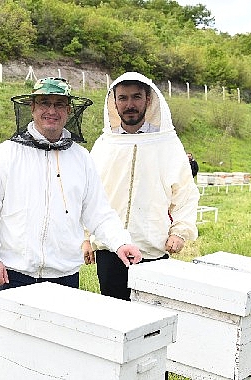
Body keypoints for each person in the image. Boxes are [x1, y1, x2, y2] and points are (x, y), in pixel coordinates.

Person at [0, 77, 141, 291]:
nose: (51, 111)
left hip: (65, 275)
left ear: (69, 110)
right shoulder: (7, 153)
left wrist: (121, 242)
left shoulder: (81, 158)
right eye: (44, 102)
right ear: (32, 107)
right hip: (14, 274)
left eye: (59, 104)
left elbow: (98, 212)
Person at [83, 71, 200, 301]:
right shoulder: (105, 144)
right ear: (114, 102)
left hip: (152, 247)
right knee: (114, 317)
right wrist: (85, 237)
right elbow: (88, 195)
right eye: (123, 98)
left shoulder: (167, 144)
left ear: (148, 100)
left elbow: (185, 193)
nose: (130, 104)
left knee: (151, 324)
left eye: (136, 97)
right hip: (110, 250)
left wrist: (179, 232)